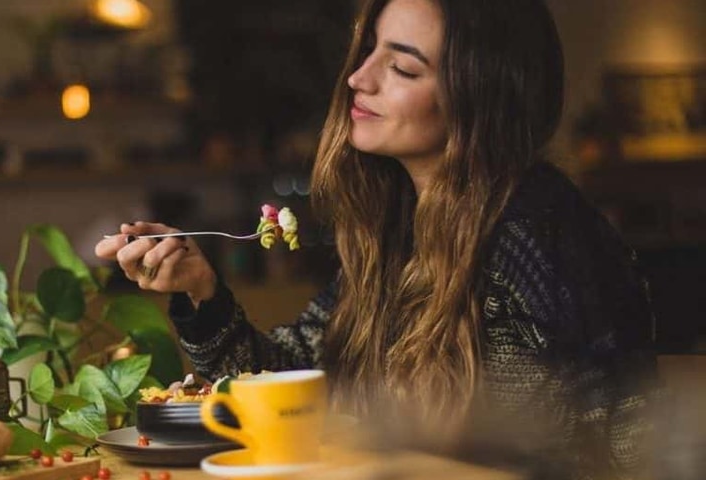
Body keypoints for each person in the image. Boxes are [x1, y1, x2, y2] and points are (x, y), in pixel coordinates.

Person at [95, 0, 663, 477]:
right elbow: (296, 378)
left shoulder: (530, 238)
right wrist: (200, 291)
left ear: (479, 99)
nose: (357, 78)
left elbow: (539, 455)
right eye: (370, 50)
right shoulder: (403, 226)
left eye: (405, 68)